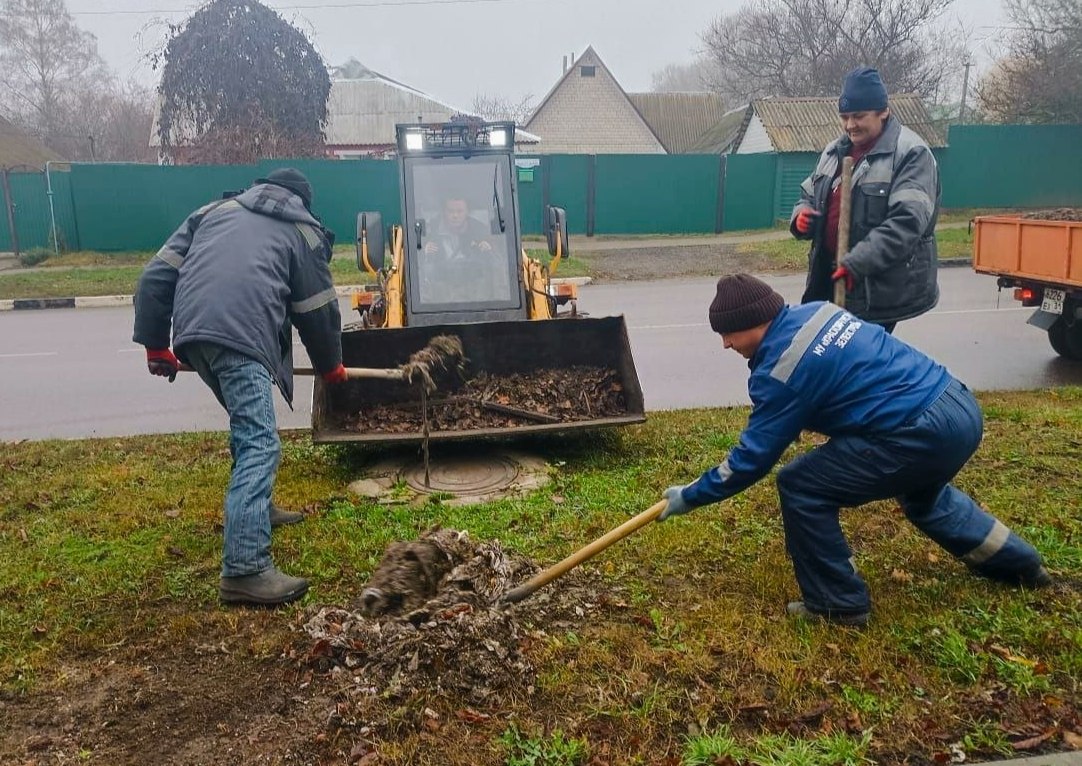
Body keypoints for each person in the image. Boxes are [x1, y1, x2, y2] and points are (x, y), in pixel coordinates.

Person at [658, 274, 1051, 627]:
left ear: (753, 323)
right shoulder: (820, 313)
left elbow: (751, 459)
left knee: (801, 485)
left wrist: (692, 495)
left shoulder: (781, 369)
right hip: (957, 406)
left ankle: (838, 603)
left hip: (918, 432)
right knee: (925, 497)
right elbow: (843, 377)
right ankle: (1018, 564)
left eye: (729, 334)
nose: (726, 345)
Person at [132, 168, 349, 607]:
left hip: (194, 336)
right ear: (302, 203)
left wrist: (157, 345)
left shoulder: (211, 212)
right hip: (240, 336)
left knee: (247, 426)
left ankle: (258, 510)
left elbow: (155, 277)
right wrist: (332, 367)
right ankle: (246, 568)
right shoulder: (300, 230)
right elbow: (318, 309)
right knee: (260, 444)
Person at [791, 66, 940, 334]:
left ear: (883, 111)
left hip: (873, 288)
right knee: (827, 355)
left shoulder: (910, 153)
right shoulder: (833, 151)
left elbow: (907, 223)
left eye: (858, 116)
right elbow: (808, 194)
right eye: (844, 117)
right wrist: (802, 216)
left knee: (857, 365)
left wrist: (857, 262)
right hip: (828, 279)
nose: (850, 125)